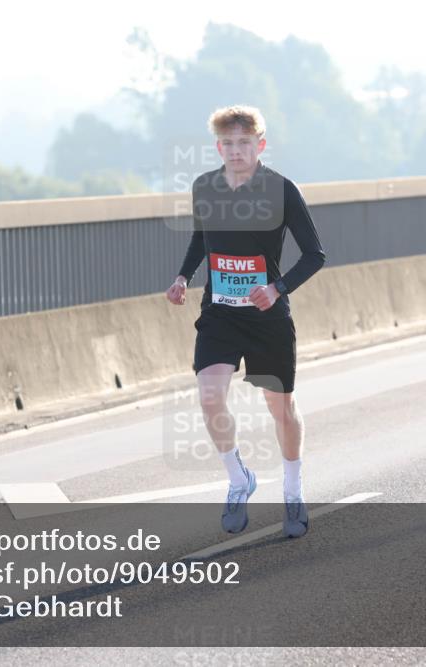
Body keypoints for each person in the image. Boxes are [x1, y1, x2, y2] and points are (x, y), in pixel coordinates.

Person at [165, 105, 326, 538]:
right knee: (210, 396)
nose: (236, 151)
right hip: (219, 313)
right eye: (229, 144)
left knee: (282, 409)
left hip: (266, 317)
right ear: (219, 147)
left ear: (261, 144)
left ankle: (292, 490)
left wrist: (276, 289)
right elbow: (202, 238)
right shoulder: (206, 187)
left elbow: (315, 255)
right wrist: (184, 276)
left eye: (245, 143)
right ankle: (239, 480)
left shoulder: (281, 190)